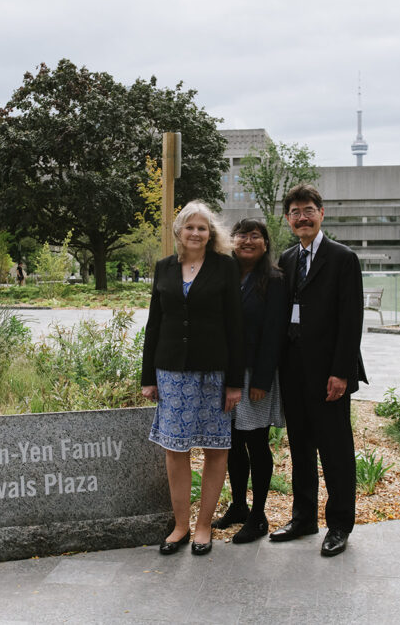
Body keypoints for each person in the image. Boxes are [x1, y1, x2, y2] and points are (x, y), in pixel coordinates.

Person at [270, 183, 367, 558]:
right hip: (293, 370)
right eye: (294, 212)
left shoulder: (343, 259)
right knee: (300, 448)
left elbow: (350, 320)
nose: (302, 217)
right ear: (288, 219)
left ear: (321, 213)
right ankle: (303, 517)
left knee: (336, 450)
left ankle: (340, 524)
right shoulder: (287, 258)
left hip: (329, 374)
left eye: (308, 209)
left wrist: (341, 372)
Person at [141, 201, 244, 556]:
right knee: (176, 448)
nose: (196, 233)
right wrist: (147, 377)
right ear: (179, 232)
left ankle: (204, 527)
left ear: (210, 233)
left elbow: (235, 325)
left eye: (203, 228)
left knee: (216, 447)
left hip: (214, 373)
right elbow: (154, 324)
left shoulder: (225, 268)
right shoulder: (164, 269)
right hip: (171, 373)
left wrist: (234, 382)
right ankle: (181, 525)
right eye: (190, 227)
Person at [211, 218, 287, 543]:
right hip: (226, 373)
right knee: (231, 443)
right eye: (241, 234)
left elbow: (274, 333)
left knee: (255, 442)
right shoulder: (224, 275)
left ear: (265, 244)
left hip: (256, 373)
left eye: (255, 235)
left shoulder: (274, 280)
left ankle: (259, 516)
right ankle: (239, 506)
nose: (247, 240)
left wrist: (262, 379)